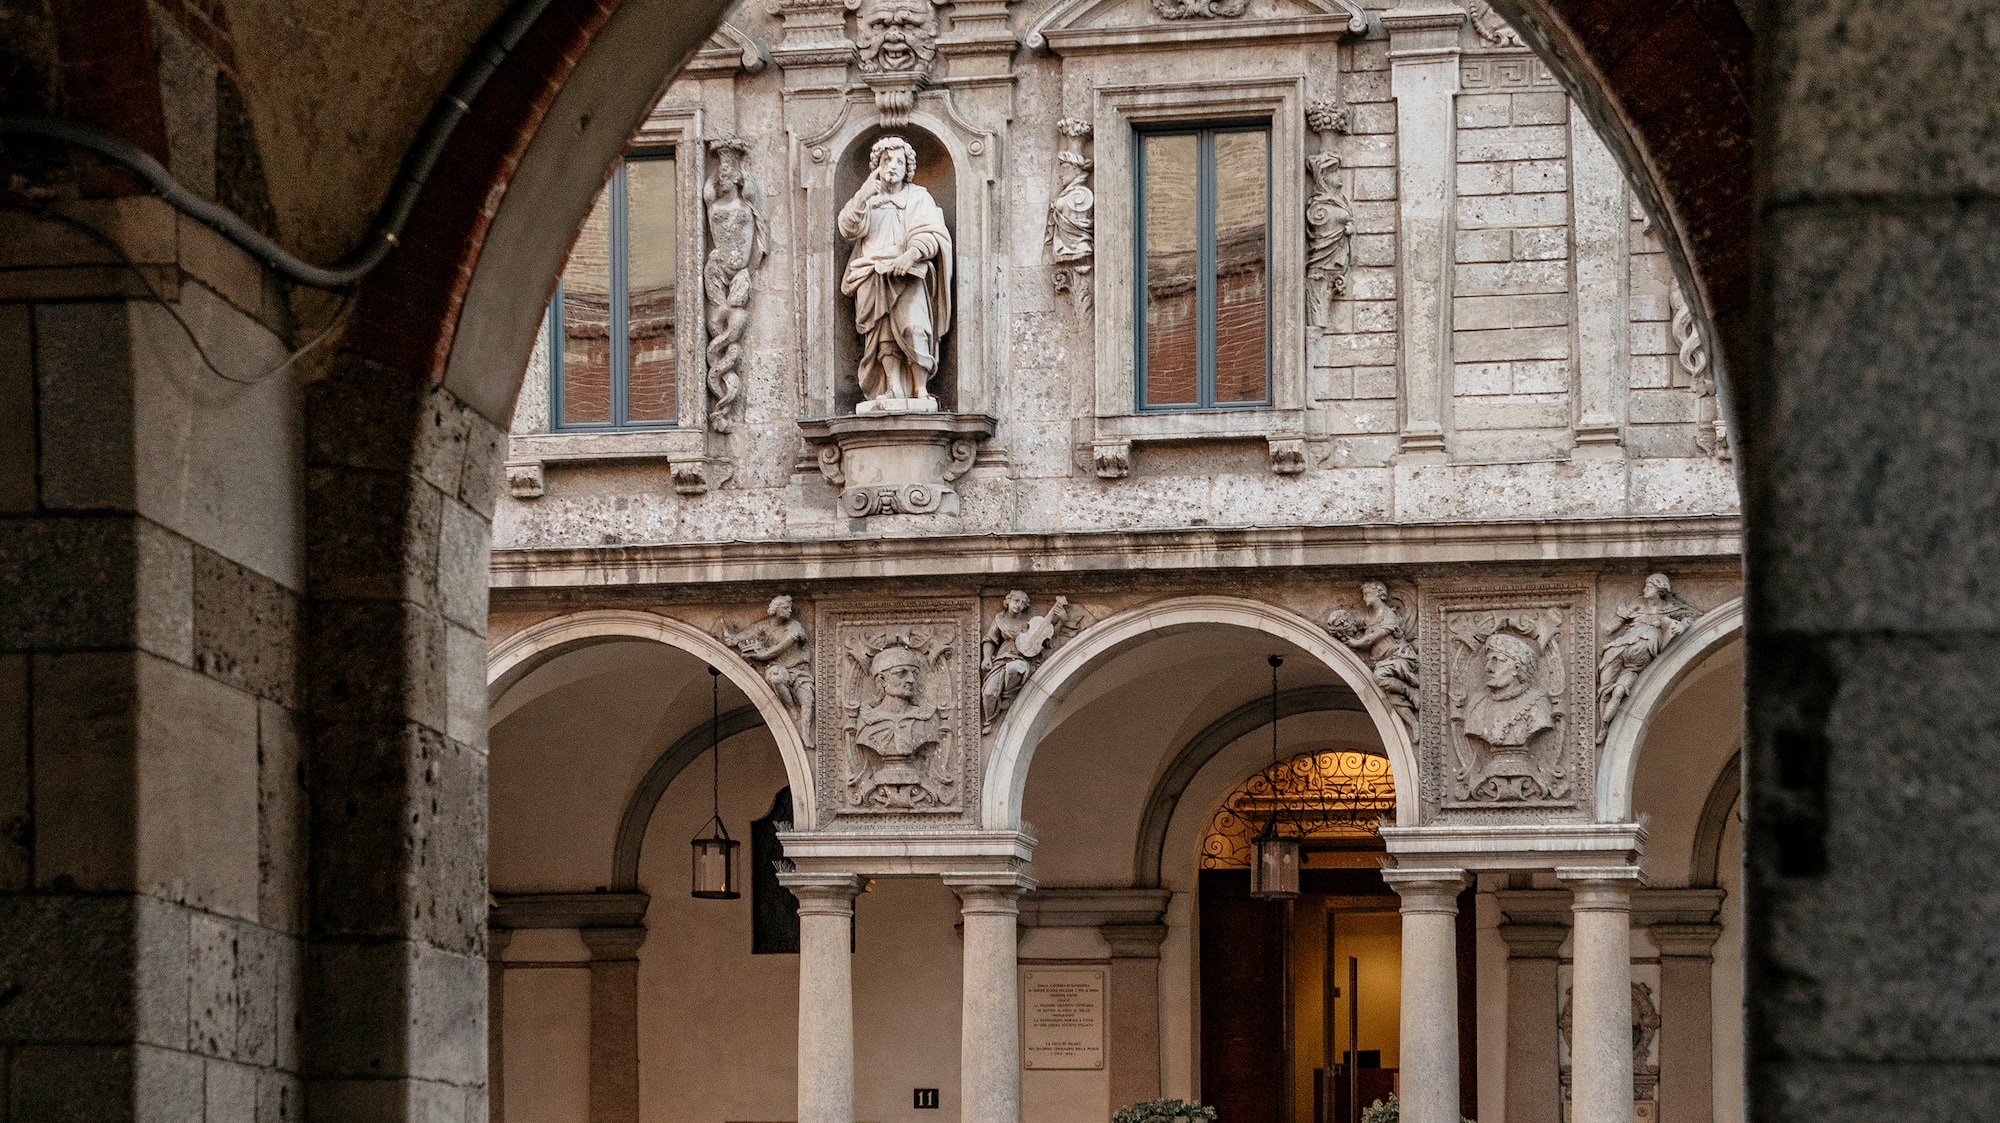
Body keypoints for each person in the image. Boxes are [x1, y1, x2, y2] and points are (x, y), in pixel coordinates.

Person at [838, 135, 952, 408]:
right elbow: (848, 227)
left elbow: (932, 233)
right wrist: (864, 194)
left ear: (908, 167)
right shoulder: (867, 200)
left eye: (899, 161)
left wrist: (911, 254)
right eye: (887, 160)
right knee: (882, 336)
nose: (893, 165)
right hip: (872, 273)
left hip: (908, 273)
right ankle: (893, 388)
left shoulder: (919, 197)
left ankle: (921, 390)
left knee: (915, 327)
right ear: (877, 166)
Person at [1596, 573, 1697, 732]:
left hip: (1639, 656)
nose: (1644, 590)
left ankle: (1604, 725)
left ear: (1660, 589)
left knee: (1619, 692)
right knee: (1604, 690)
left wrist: (1682, 626)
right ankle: (1600, 724)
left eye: (1649, 587)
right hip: (1619, 647)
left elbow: (1690, 615)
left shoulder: (1669, 609)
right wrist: (1621, 616)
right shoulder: (1638, 604)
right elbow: (1611, 628)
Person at [720, 595, 813, 734]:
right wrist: (733, 639)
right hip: (777, 667)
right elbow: (747, 633)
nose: (790, 611)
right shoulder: (764, 626)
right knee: (776, 677)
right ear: (776, 610)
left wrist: (761, 655)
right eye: (786, 608)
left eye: (790, 608)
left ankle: (805, 734)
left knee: (807, 701)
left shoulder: (795, 626)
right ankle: (792, 709)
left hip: (798, 670)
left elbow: (783, 646)